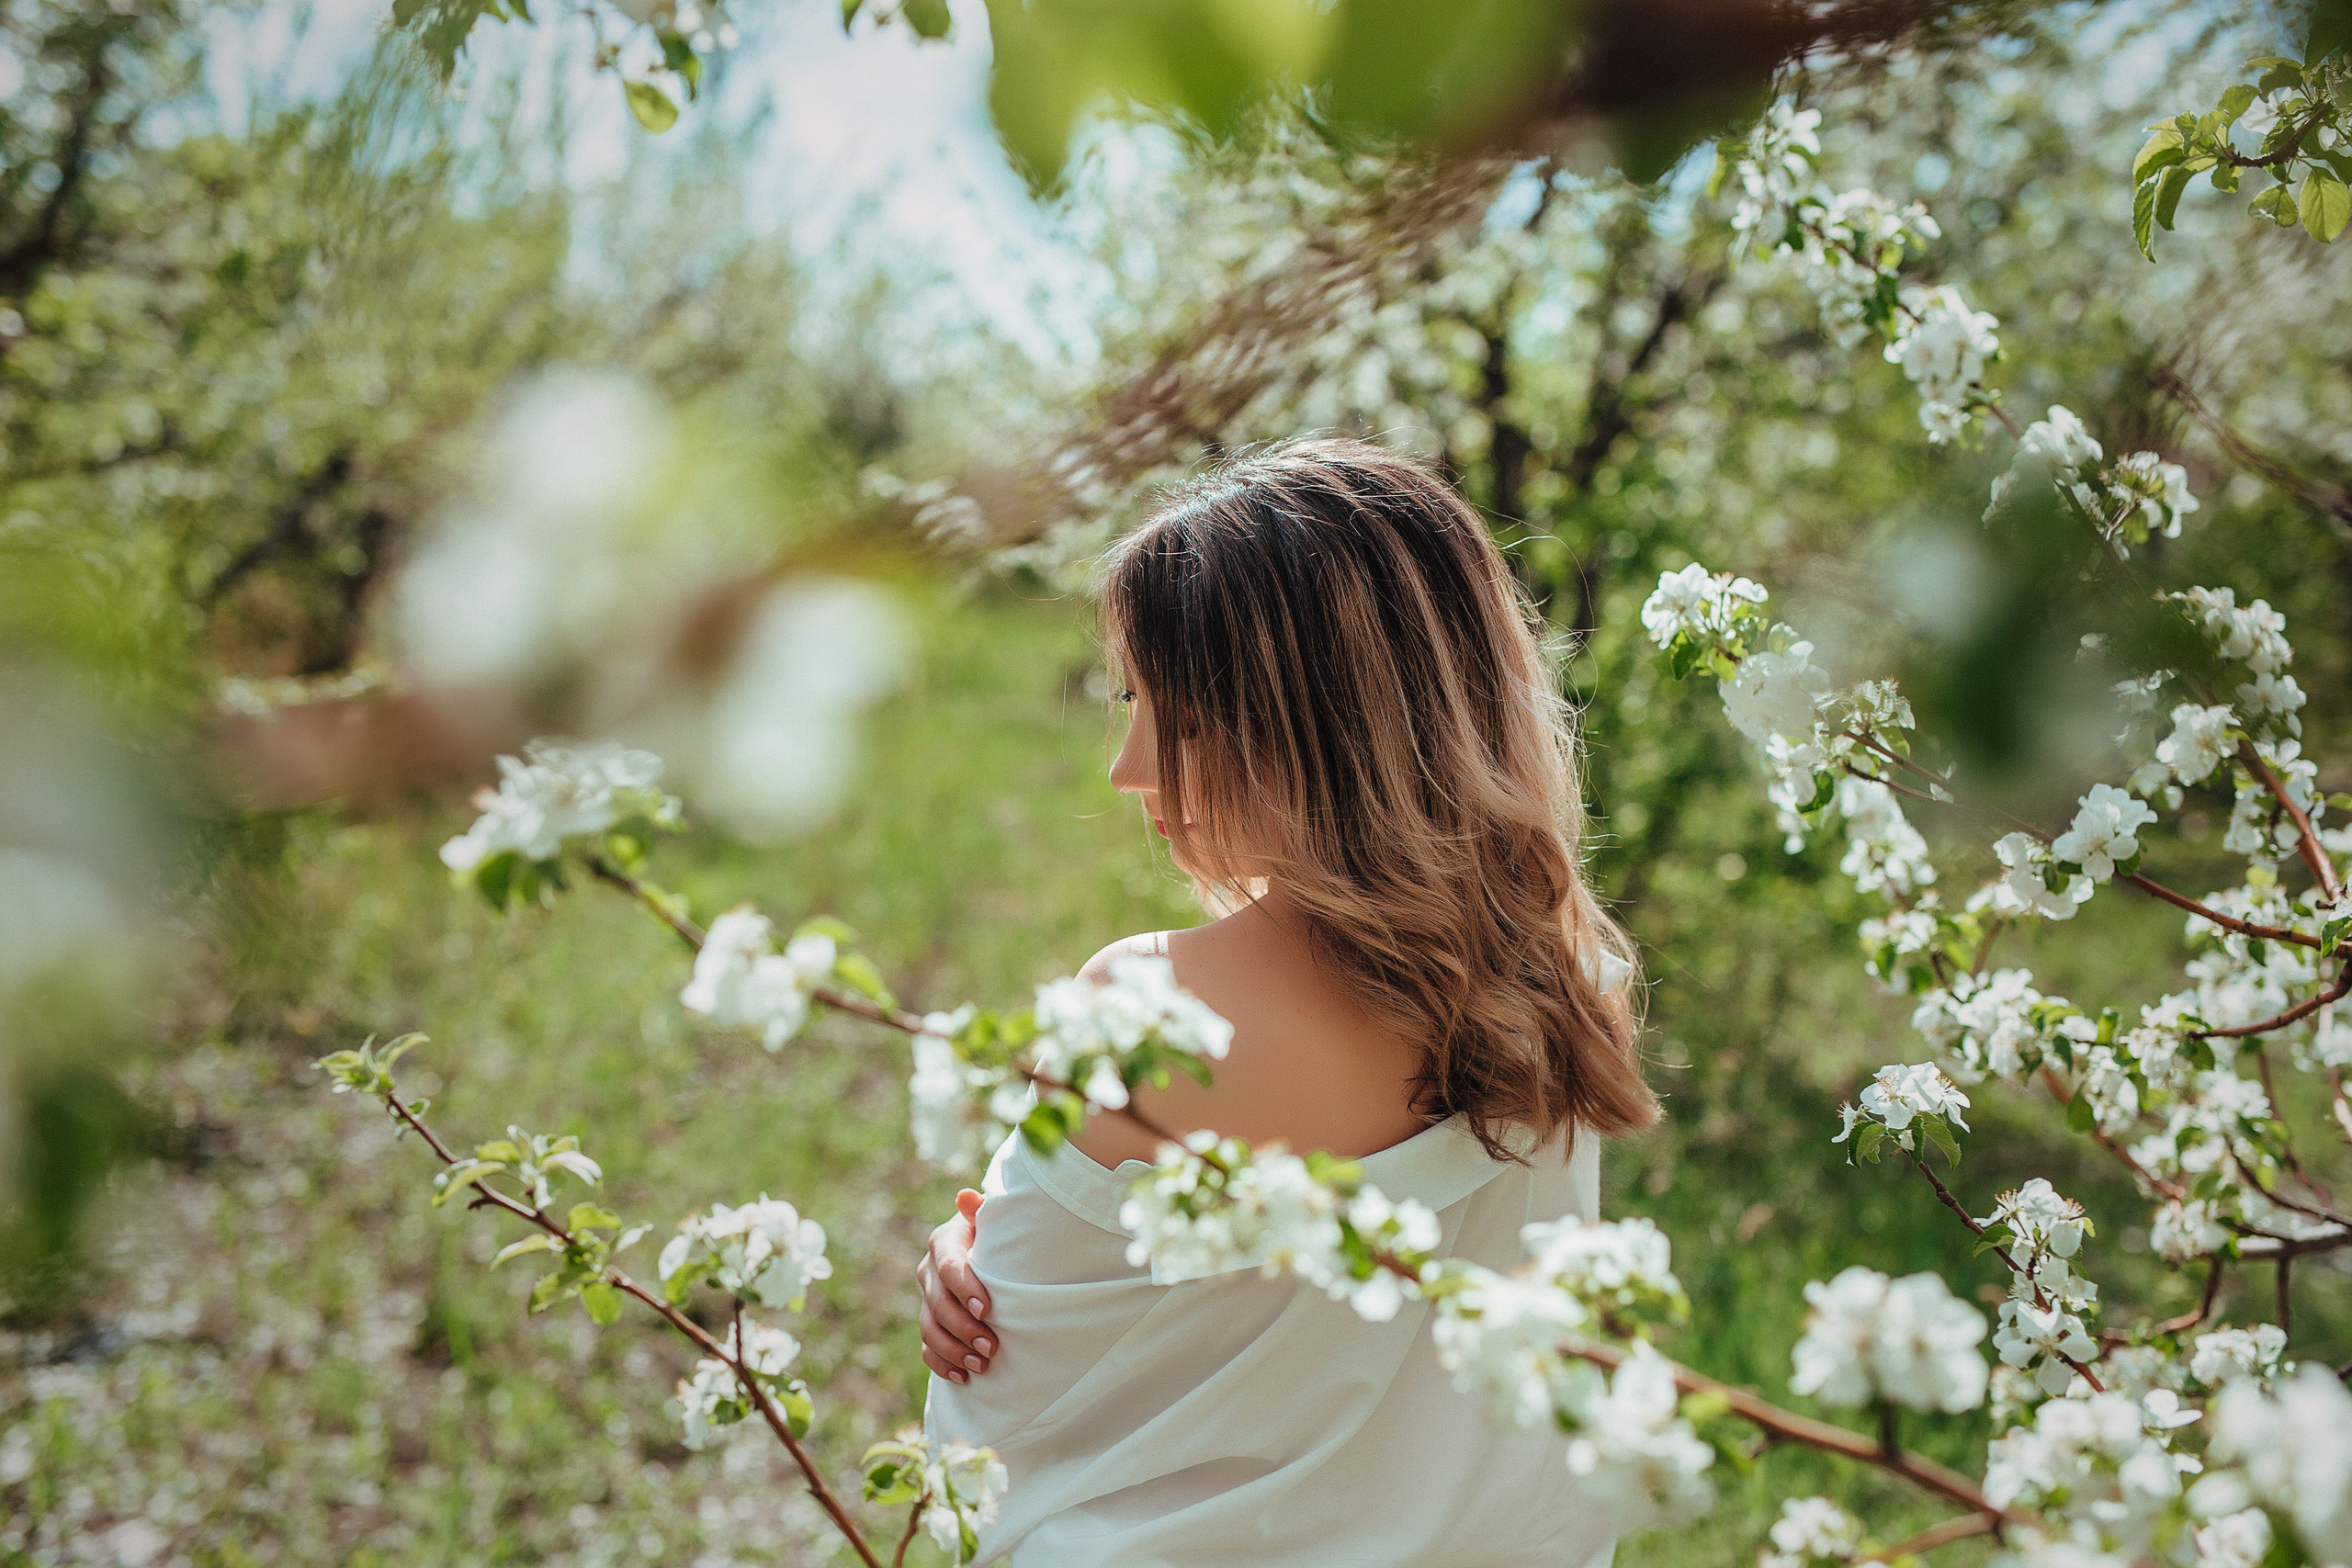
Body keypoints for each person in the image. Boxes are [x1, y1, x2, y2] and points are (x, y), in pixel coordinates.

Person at [916, 438, 1658, 1566]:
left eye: (1182, 716)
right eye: (1129, 702)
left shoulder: (1150, 1008)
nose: (1130, 769)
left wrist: (980, 1262)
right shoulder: (1565, 993)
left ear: (1324, 728)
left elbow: (997, 1405)